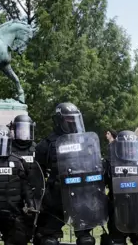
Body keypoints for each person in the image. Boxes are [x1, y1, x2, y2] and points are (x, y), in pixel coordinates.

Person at [34, 102, 104, 245]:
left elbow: (95, 165)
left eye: (75, 120)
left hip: (82, 196)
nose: (72, 124)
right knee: (48, 241)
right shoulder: (47, 144)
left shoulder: (87, 141)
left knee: (86, 240)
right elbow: (36, 172)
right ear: (59, 121)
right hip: (55, 197)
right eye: (69, 120)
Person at [8, 115, 45, 242]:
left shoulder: (36, 148)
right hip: (16, 193)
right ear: (14, 130)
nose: (23, 133)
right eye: (20, 130)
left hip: (35, 192)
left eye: (26, 129)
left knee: (38, 230)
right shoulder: (8, 148)